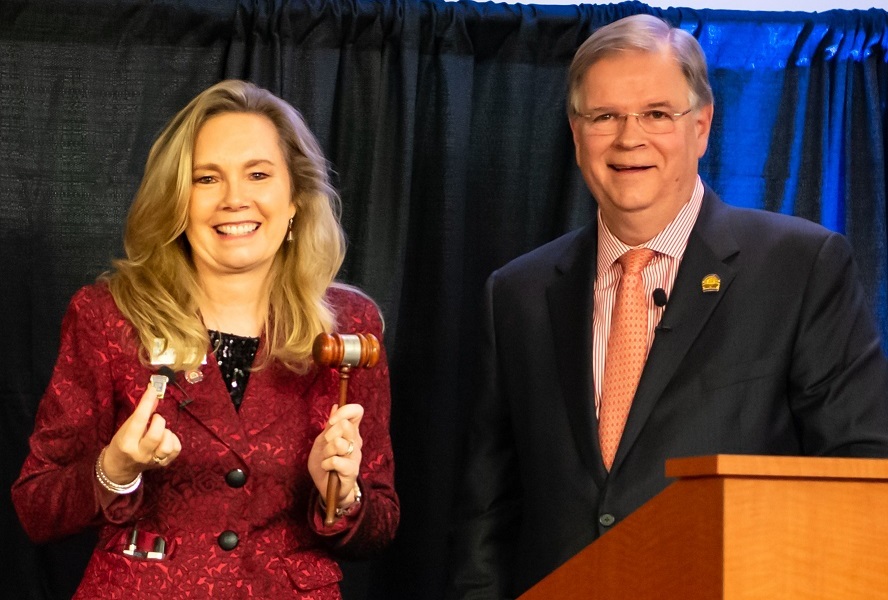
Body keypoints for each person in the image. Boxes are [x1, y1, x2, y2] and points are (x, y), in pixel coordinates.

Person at [447, 13, 888, 600]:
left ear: (702, 126)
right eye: (605, 116)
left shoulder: (800, 267)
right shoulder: (517, 293)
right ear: (577, 135)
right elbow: (487, 512)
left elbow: (858, 477)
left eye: (657, 113)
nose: (630, 138)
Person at [12, 80, 398, 599]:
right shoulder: (108, 317)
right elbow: (36, 507)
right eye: (206, 178)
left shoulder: (350, 325)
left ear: (295, 200)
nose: (235, 198)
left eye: (258, 174)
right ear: (177, 201)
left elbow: (381, 524)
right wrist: (114, 470)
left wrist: (343, 494)